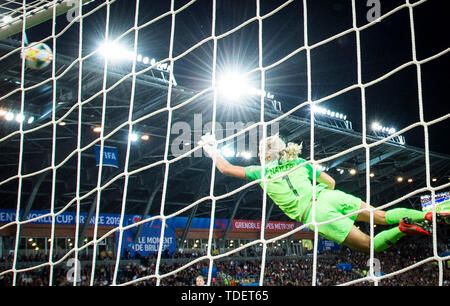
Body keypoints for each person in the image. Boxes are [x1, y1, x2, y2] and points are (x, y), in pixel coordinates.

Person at [198, 133, 449, 253]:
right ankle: (424, 215)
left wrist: (211, 148)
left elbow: (225, 168)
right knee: (381, 216)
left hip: (316, 213)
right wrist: (324, 193)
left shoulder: (260, 172)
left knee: (370, 247)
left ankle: (402, 229)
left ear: (263, 156)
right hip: (329, 196)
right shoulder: (300, 163)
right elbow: (330, 181)